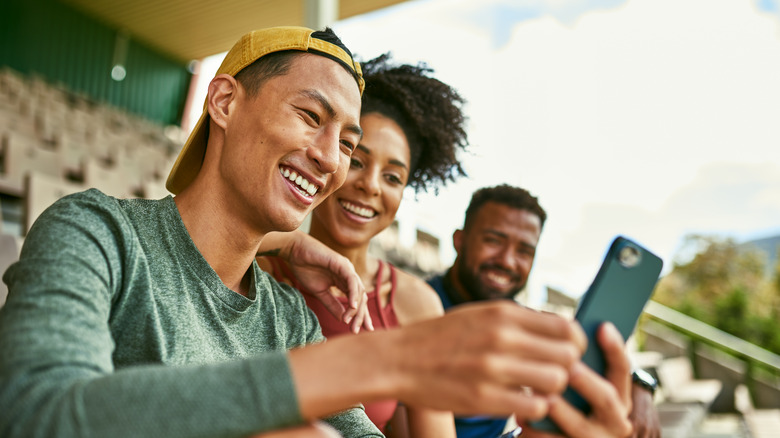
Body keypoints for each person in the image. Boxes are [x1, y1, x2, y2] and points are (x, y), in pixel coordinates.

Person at [0, 26, 634, 438]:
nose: (332, 159)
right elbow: (34, 413)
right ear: (224, 103)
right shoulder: (97, 232)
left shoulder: (291, 319)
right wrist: (382, 358)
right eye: (311, 116)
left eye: (347, 142)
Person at [258, 53, 468, 437]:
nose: (371, 185)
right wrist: (289, 245)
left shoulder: (415, 306)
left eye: (392, 177)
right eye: (355, 159)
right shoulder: (259, 264)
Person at [428, 184, 662, 438]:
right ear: (459, 241)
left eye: (524, 251)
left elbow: (589, 353)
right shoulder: (412, 309)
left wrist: (640, 385)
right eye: (493, 241)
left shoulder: (520, 322)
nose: (507, 260)